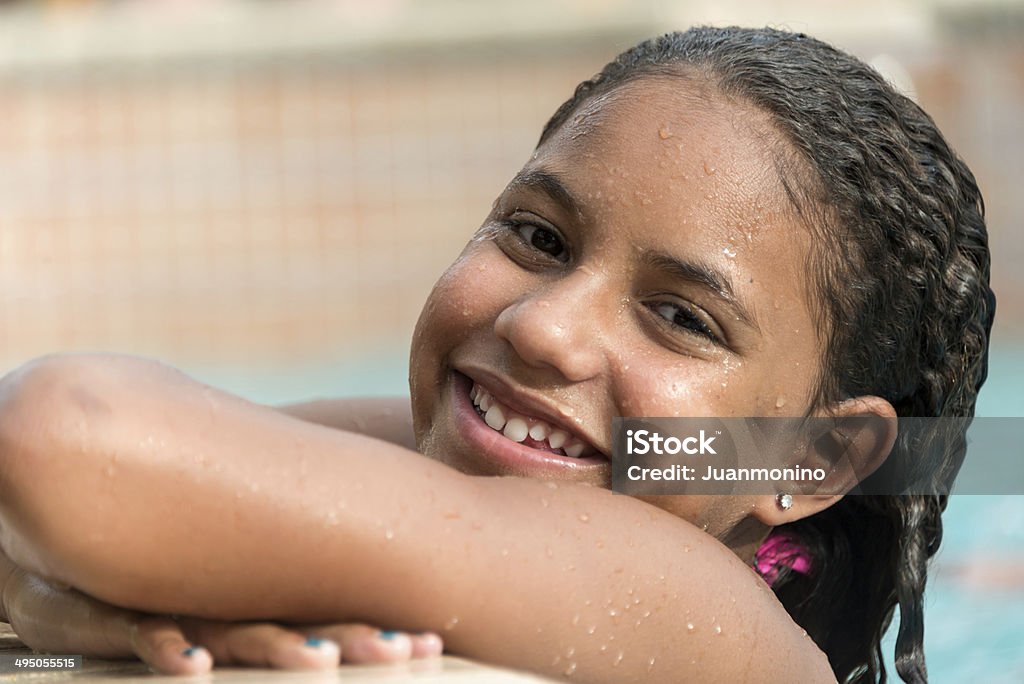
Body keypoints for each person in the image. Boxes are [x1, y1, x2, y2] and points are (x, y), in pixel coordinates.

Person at [0, 26, 994, 683]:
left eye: (682, 319)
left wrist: (81, 569)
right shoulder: (589, 471)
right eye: (538, 237)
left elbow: (65, 434)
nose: (540, 328)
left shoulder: (697, 610)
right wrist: (54, 582)